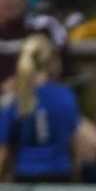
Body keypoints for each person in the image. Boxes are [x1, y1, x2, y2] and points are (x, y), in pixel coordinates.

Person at [0, 33, 79, 181]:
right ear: (53, 62)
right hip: (60, 175)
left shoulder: (14, 99)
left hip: (24, 176)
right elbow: (73, 142)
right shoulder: (65, 95)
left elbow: (3, 149)